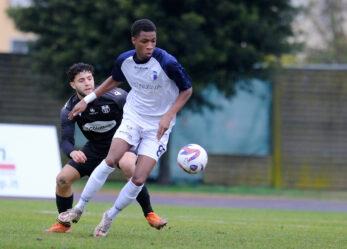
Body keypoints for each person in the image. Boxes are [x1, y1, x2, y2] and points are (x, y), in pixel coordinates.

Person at [58, 19, 192, 237]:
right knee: (110, 160)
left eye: (153, 41)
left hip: (158, 125)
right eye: (145, 41)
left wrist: (168, 116)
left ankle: (109, 216)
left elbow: (187, 90)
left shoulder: (167, 62)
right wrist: (88, 99)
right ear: (134, 41)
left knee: (138, 178)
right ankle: (78, 208)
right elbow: (114, 80)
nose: (150, 46)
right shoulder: (125, 60)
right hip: (134, 117)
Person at [45, 62, 166, 233]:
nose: (87, 83)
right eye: (81, 80)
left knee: (128, 166)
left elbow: (138, 116)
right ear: (73, 85)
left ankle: (150, 214)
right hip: (95, 148)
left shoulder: (116, 97)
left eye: (89, 78)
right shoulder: (69, 109)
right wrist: (72, 151)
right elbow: (65, 140)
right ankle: (64, 224)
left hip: (123, 143)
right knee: (62, 179)